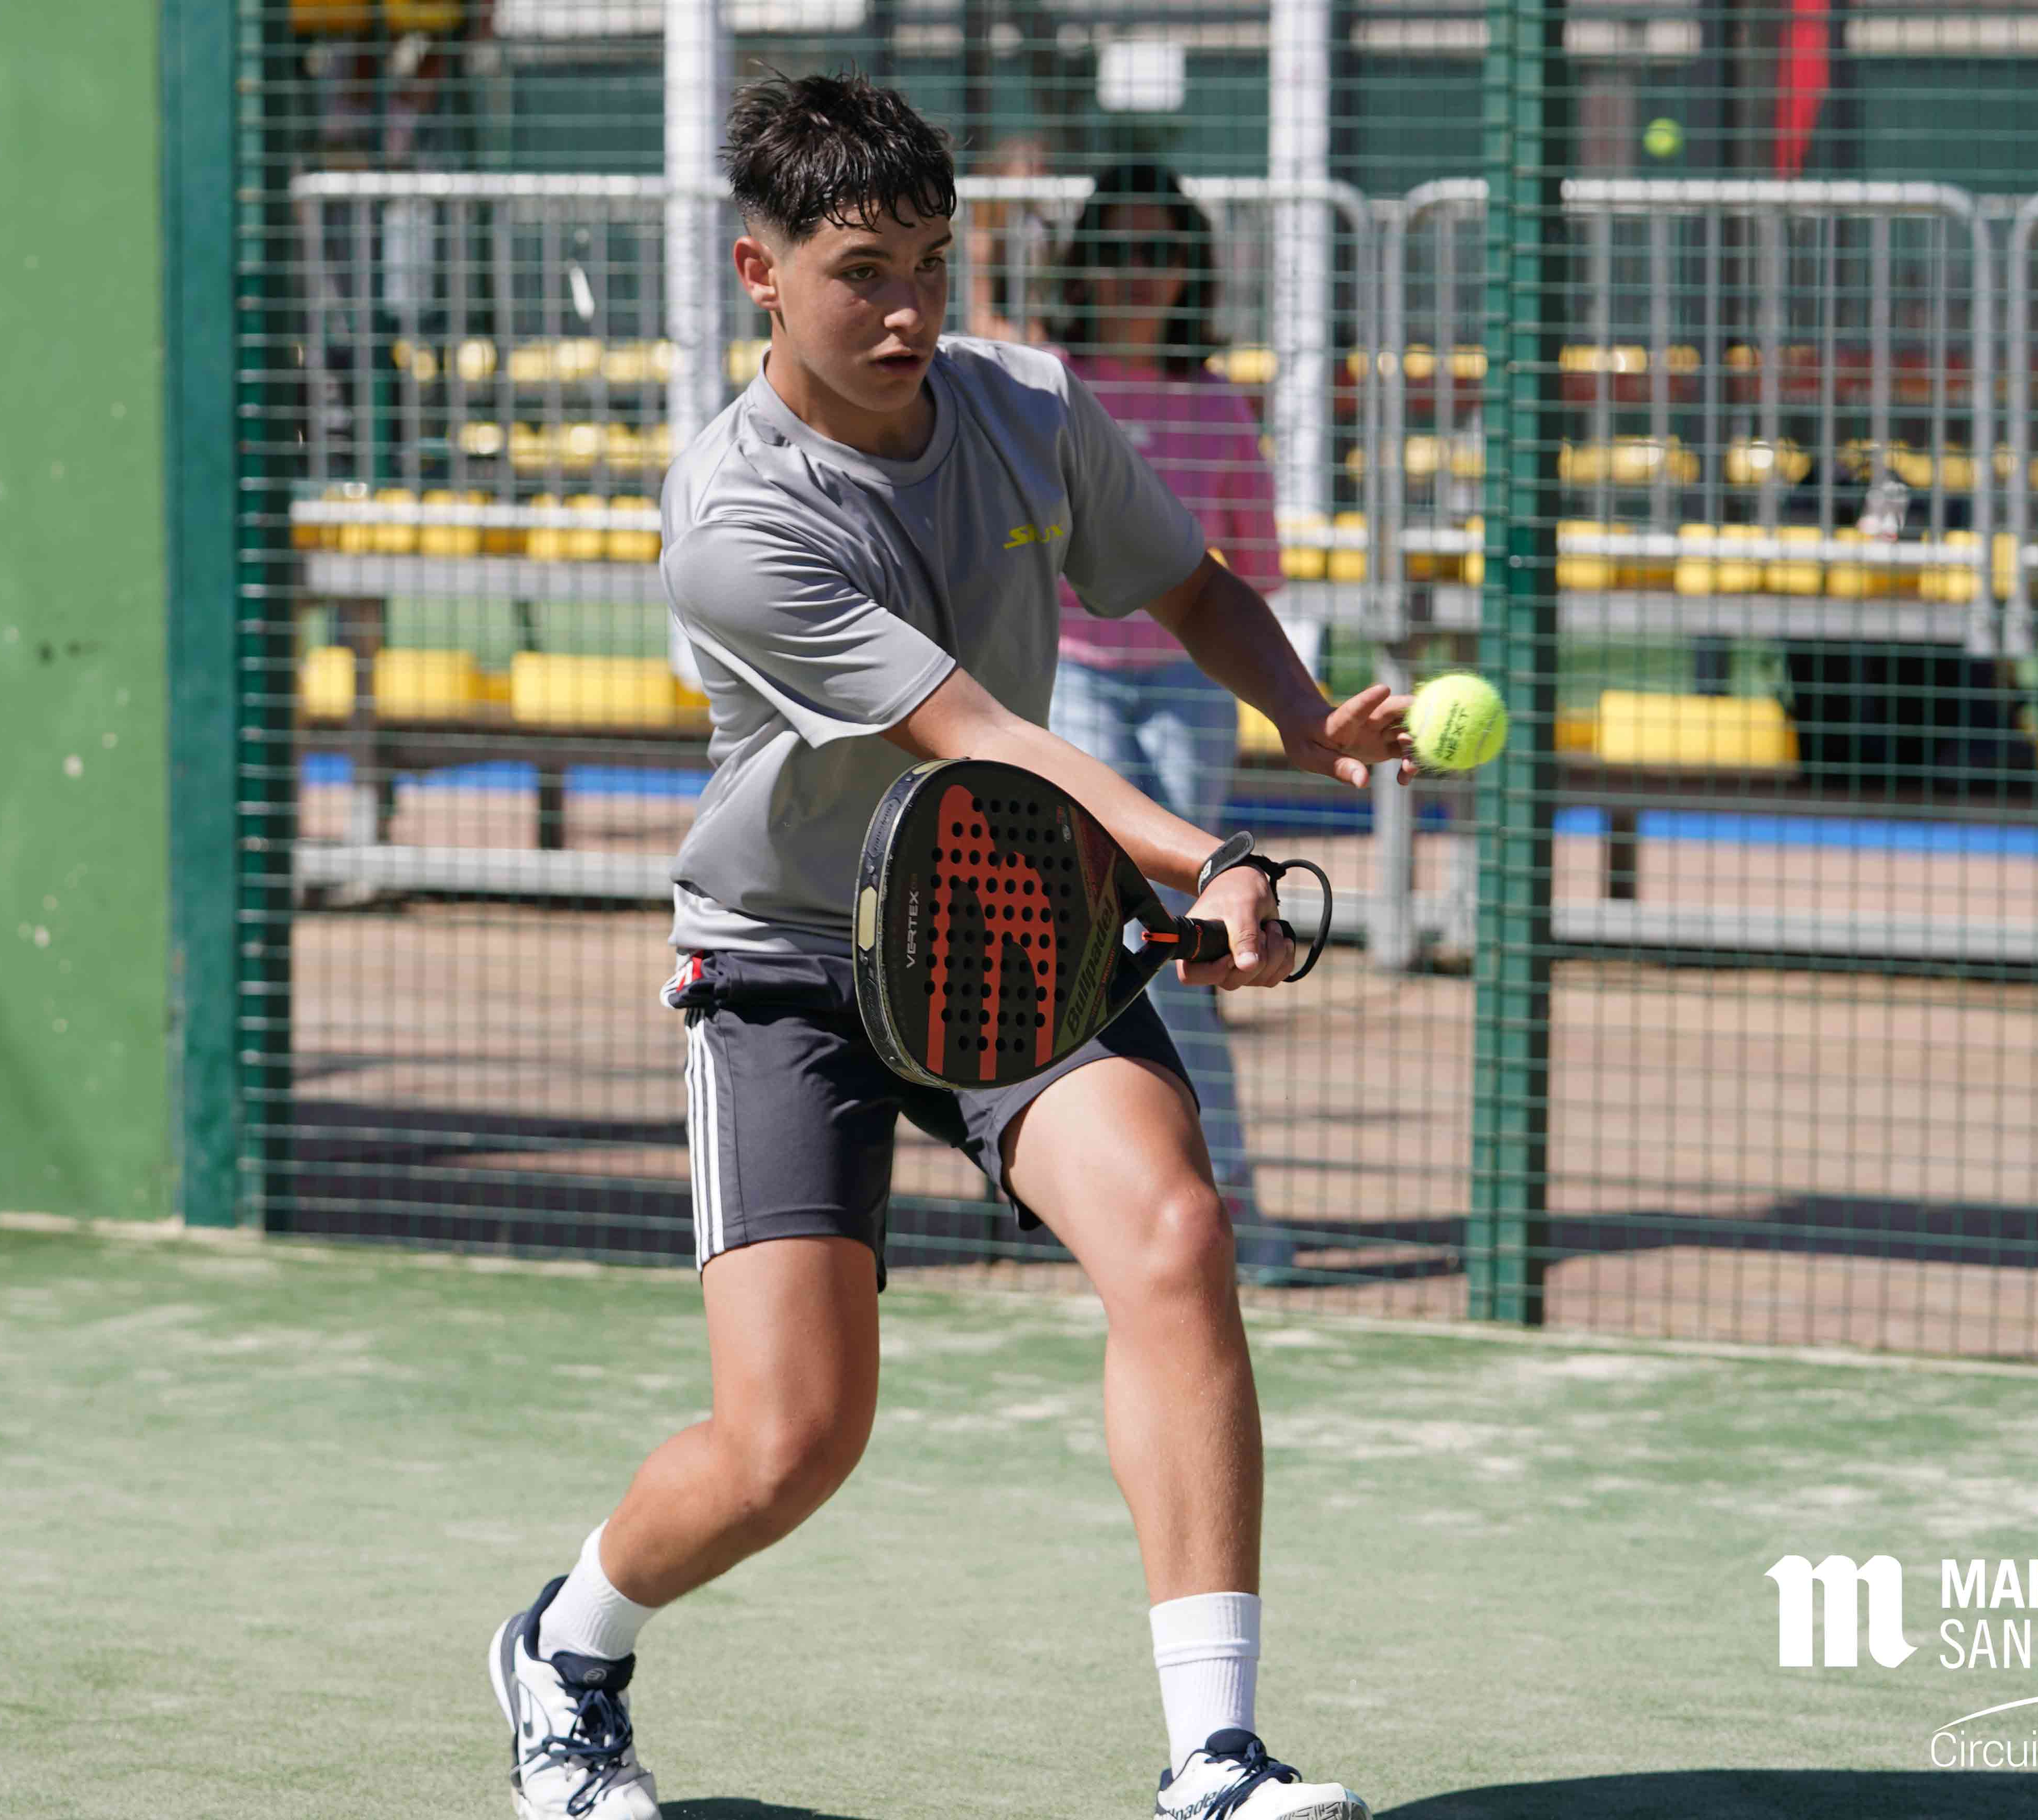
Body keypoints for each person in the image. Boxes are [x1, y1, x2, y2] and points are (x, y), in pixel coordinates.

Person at [486, 73, 1411, 1820]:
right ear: (761, 273)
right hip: (788, 959)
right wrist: (1213, 860)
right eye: (862, 272)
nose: (908, 309)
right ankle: (568, 1646)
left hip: (1003, 915)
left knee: (1174, 1234)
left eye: (931, 262)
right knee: (791, 1443)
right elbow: (979, 732)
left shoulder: (1026, 407)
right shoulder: (738, 519)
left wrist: (1301, 718)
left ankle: (1215, 1755)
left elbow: (1192, 584)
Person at [1046, 161, 1291, 1276]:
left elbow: (1254, 574)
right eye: (1118, 252)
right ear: (1084, 267)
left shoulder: (1216, 403)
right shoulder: (1050, 390)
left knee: (1181, 940)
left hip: (1189, 687)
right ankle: (1116, 1201)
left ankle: (1214, 1202)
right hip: (1075, 677)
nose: (1139, 275)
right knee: (1120, 930)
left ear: (1191, 270)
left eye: (1161, 252)